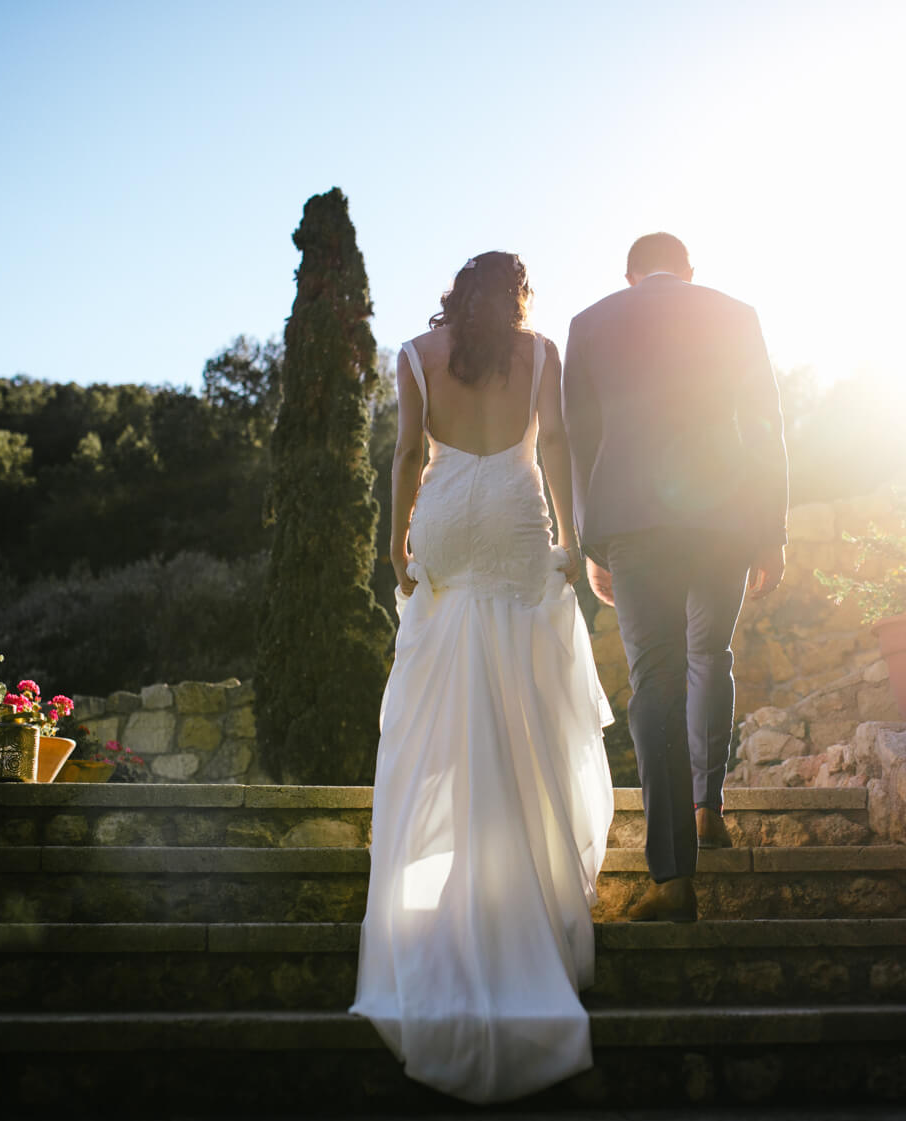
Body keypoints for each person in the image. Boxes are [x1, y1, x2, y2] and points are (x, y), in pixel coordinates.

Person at [350, 251, 615, 1104]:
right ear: (518, 299)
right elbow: (561, 443)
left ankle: (444, 892)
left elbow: (403, 458)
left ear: (457, 299)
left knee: (442, 687)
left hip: (446, 519)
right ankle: (523, 891)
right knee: (524, 689)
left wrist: (393, 545)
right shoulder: (539, 353)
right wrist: (571, 538)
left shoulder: (416, 356)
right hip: (510, 510)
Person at [562, 232, 788, 923]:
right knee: (709, 655)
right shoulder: (734, 312)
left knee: (655, 679)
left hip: (631, 523)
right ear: (689, 269)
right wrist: (771, 531)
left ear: (630, 275)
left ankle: (672, 880)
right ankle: (709, 808)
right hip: (723, 520)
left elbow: (580, 437)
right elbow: (765, 425)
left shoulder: (591, 322)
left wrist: (591, 539)